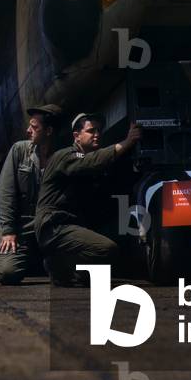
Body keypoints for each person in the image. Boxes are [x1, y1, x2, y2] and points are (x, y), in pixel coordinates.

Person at [34, 113, 142, 286]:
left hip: (72, 224)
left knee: (125, 228)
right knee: (106, 249)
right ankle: (64, 269)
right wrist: (126, 142)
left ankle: (68, 264)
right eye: (91, 131)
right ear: (77, 136)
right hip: (54, 225)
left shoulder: (86, 162)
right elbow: (91, 162)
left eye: (99, 130)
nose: (97, 134)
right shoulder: (66, 156)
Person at [0, 104, 63, 285]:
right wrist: (8, 231)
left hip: (50, 227)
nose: (28, 130)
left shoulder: (65, 156)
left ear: (49, 131)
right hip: (21, 226)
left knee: (71, 274)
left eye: (34, 127)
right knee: (8, 273)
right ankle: (5, 262)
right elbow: (5, 193)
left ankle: (38, 260)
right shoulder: (19, 151)